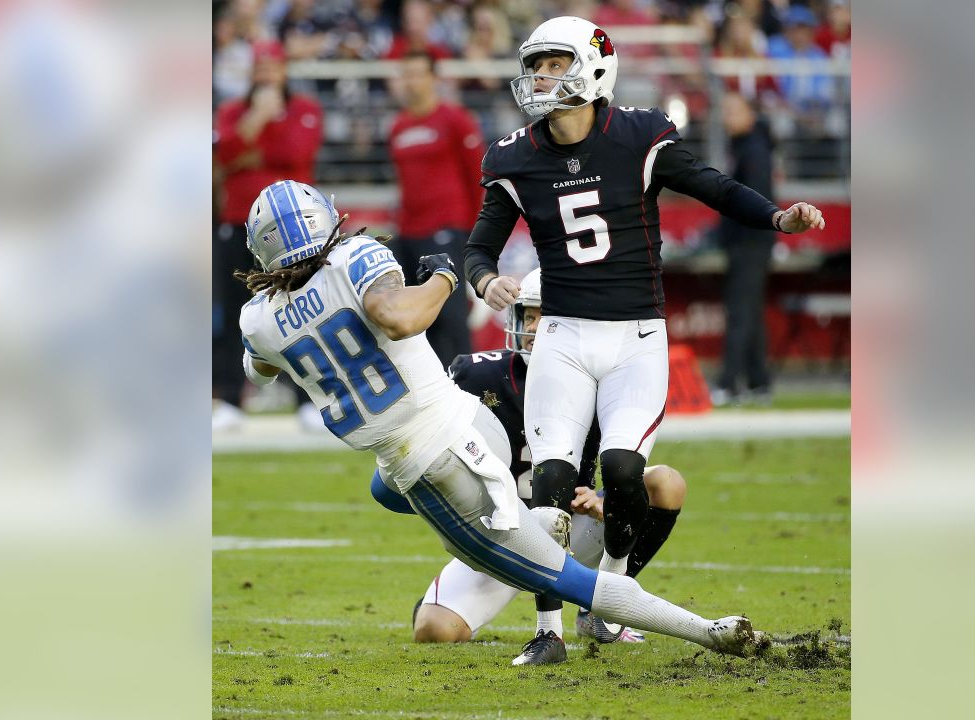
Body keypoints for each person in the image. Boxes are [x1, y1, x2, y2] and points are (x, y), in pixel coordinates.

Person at [237, 180, 764, 666]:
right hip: (466, 424)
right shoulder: (356, 255)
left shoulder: (256, 321)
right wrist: (445, 276)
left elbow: (261, 367)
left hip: (430, 465)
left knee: (570, 575)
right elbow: (399, 315)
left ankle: (707, 632)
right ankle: (548, 548)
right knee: (522, 523)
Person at [463, 15, 825, 640]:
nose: (542, 77)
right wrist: (484, 280)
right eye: (538, 65)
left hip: (635, 337)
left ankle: (609, 593)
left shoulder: (639, 133)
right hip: (564, 336)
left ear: (594, 67)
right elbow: (478, 247)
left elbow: (713, 186)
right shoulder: (514, 156)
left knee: (624, 470)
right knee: (552, 481)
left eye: (556, 64)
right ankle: (546, 628)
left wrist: (775, 218)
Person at [368, 269, 689, 665]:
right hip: (498, 530)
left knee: (665, 483)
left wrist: (604, 500)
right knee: (434, 630)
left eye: (547, 316)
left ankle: (601, 609)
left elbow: (621, 470)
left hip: (570, 532)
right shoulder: (476, 374)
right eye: (530, 316)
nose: (537, 328)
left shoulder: (602, 381)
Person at [213, 40, 324, 430]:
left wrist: (252, 150)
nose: (265, 77)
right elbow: (222, 155)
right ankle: (229, 400)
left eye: (272, 69)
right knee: (231, 314)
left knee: (300, 311)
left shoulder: (305, 109)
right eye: (259, 70)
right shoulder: (232, 112)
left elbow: (297, 154)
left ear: (283, 71)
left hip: (291, 230)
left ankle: (308, 400)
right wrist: (256, 120)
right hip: (236, 221)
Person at [386, 51, 483, 366]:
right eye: (407, 74)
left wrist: (474, 230)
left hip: (447, 228)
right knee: (420, 316)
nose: (412, 81)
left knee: (452, 314)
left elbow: (477, 176)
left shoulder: (455, 119)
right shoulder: (398, 126)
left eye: (418, 73)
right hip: (410, 230)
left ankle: (467, 384)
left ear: (433, 79)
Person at [714, 93, 776, 406]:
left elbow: (754, 201)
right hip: (748, 241)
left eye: (733, 111)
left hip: (750, 242)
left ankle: (728, 383)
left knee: (740, 312)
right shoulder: (744, 147)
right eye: (725, 111)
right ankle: (758, 382)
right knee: (749, 312)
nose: (727, 117)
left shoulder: (753, 151)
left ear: (750, 115)